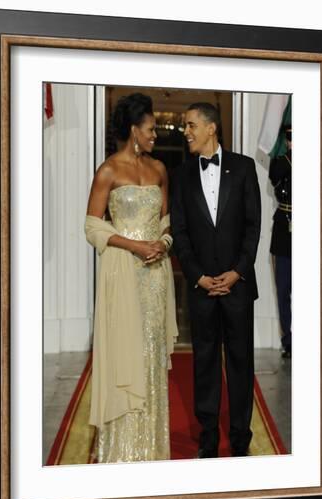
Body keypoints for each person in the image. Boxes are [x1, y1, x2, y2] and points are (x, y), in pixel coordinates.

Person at [84, 93, 178, 463]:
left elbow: (168, 221)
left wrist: (163, 243)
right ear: (134, 129)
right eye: (152, 129)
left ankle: (151, 448)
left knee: (151, 352)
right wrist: (134, 246)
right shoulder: (108, 170)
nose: (157, 135)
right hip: (123, 273)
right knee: (126, 352)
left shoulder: (159, 170)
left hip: (155, 277)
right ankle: (122, 451)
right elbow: (92, 226)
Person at [170, 103, 261, 458]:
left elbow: (253, 226)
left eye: (191, 125)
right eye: (185, 126)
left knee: (240, 362)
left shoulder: (243, 167)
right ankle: (208, 435)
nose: (187, 132)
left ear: (211, 128)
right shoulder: (181, 176)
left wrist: (237, 272)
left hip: (238, 286)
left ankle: (240, 436)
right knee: (204, 362)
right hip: (202, 288)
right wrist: (199, 277)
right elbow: (180, 232)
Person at [269, 124, 292, 358]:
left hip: (310, 229)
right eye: (290, 137)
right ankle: (289, 340)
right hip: (284, 229)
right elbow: (275, 175)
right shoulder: (281, 162)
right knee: (283, 288)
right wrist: (292, 154)